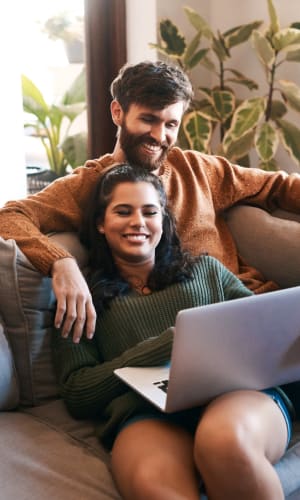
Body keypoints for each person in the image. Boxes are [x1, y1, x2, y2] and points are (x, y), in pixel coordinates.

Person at [1, 60, 300, 342]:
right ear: (118, 112)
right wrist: (61, 263)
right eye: (149, 119)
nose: (159, 135)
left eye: (171, 124)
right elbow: (11, 215)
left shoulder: (198, 169)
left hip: (257, 308)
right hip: (189, 333)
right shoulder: (88, 185)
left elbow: (280, 185)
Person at [52, 163, 295, 500]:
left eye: (150, 212)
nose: (138, 221)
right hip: (146, 413)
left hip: (235, 396)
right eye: (123, 211)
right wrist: (167, 344)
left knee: (225, 445)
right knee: (157, 489)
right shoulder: (82, 298)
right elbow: (78, 392)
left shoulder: (206, 270)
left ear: (162, 221)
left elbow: (262, 334)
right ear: (101, 223)